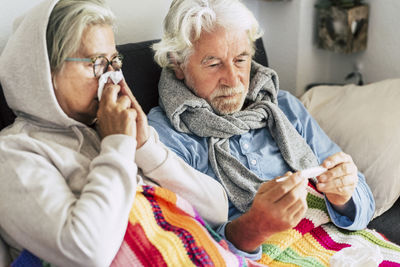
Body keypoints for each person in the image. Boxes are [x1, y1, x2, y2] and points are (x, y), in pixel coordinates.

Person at [0, 0, 229, 266]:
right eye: (96, 62)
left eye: (114, 61)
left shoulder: (112, 131)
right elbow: (88, 252)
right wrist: (117, 145)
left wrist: (145, 147)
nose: (113, 78)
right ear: (45, 70)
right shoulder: (13, 154)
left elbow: (217, 210)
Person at [148, 0, 375, 260]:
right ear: (177, 64)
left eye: (241, 59)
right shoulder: (163, 137)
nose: (233, 80)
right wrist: (255, 227)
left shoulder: (284, 106)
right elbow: (177, 248)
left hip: (349, 248)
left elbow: (364, 202)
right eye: (213, 64)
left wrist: (344, 195)